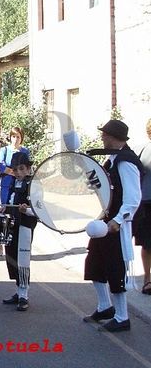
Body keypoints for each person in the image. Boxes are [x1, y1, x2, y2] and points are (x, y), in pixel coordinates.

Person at [83, 119, 143, 332]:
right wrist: (93, 183)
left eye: (105, 135)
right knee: (94, 264)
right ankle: (104, 306)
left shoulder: (125, 162)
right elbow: (108, 189)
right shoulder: (112, 159)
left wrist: (117, 221)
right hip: (105, 221)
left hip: (116, 225)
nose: (102, 138)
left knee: (114, 268)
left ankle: (122, 316)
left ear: (113, 137)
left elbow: (133, 198)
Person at [0, 151, 37, 311]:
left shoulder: (33, 185)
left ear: (28, 169)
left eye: (22, 169)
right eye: (15, 170)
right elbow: (10, 202)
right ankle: (18, 290)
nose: (19, 173)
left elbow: (39, 210)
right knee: (12, 257)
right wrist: (4, 208)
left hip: (25, 226)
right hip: (12, 225)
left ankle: (24, 295)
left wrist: (26, 210)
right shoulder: (12, 183)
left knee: (22, 260)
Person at [133, 118, 151, 294]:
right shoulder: (142, 149)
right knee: (148, 244)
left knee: (148, 244)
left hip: (145, 202)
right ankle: (147, 279)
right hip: (146, 203)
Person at [0, 127, 29, 206]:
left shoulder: (25, 151)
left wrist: (19, 173)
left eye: (18, 137)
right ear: (10, 137)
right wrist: (16, 172)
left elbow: (27, 168)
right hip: (7, 184)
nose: (15, 139)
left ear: (21, 138)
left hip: (20, 185)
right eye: (13, 136)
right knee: (5, 207)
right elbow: (1, 167)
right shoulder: (4, 150)